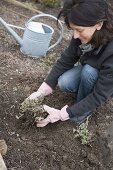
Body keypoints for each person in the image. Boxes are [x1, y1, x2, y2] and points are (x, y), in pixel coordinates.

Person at [25, 0, 113, 127]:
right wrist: (41, 92)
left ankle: (83, 111)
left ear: (98, 24)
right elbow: (66, 60)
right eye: (73, 29)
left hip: (107, 83)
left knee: (89, 72)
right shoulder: (83, 33)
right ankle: (84, 94)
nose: (75, 36)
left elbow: (100, 95)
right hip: (94, 68)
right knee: (64, 82)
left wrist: (64, 113)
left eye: (79, 30)